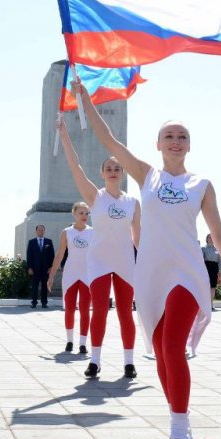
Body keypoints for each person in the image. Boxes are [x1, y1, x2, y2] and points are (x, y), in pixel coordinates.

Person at [74, 80, 221, 439]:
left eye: (182, 137)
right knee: (163, 352)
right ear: (157, 143)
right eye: (169, 136)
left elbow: (219, 234)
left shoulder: (201, 184)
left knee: (172, 346)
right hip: (152, 276)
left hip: (187, 272)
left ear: (189, 145)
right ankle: (178, 418)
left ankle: (179, 431)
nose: (175, 141)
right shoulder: (146, 175)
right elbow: (108, 139)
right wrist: (84, 98)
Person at [57, 116, 140, 378]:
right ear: (102, 173)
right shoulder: (95, 197)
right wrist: (64, 135)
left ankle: (129, 362)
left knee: (125, 313)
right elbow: (76, 168)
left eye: (117, 168)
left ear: (123, 173)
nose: (113, 171)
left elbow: (138, 238)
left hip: (125, 261)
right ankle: (95, 361)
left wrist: (147, 264)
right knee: (100, 311)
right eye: (109, 168)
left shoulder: (133, 203)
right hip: (100, 261)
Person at [48, 202, 94, 359]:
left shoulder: (93, 232)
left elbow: (99, 254)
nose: (84, 216)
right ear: (74, 214)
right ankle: (69, 341)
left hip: (87, 274)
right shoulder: (67, 232)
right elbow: (60, 254)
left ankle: (83, 343)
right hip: (70, 273)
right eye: (81, 213)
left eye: (87, 213)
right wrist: (51, 275)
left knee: (85, 309)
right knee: (69, 309)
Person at [26, 225, 55, 308]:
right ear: (36, 231)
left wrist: (51, 267)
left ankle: (44, 303)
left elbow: (52, 256)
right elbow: (29, 256)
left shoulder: (49, 242)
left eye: (42, 230)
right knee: (34, 286)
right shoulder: (31, 242)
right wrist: (29, 267)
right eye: (39, 230)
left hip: (46, 269)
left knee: (45, 286)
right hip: (35, 269)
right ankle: (34, 302)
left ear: (44, 231)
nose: (40, 231)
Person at [202, 234, 221, 305]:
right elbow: (201, 260)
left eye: (212, 237)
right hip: (206, 268)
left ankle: (211, 304)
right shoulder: (203, 248)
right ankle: (205, 304)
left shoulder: (217, 249)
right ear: (207, 239)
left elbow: (220, 261)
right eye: (209, 237)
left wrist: (219, 272)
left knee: (213, 287)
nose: (211, 239)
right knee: (206, 286)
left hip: (214, 268)